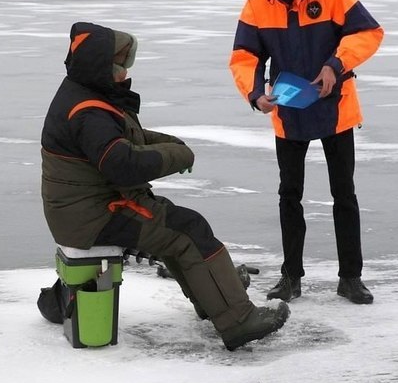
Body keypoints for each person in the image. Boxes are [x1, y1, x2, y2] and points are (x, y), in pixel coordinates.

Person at [41, 21, 289, 350]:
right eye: (119, 66)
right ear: (100, 67)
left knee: (174, 225)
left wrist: (169, 145)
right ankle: (238, 321)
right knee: (188, 230)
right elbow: (122, 164)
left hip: (80, 210)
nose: (125, 73)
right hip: (94, 215)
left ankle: (214, 294)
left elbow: (124, 138)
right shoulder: (88, 111)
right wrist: (175, 156)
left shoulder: (83, 93)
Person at [229, 0, 384, 305]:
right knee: (289, 195)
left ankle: (350, 278)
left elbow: (367, 32)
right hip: (289, 111)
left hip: (335, 108)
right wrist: (255, 93)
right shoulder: (257, 3)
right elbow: (245, 56)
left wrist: (336, 64)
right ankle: (291, 277)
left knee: (343, 193)